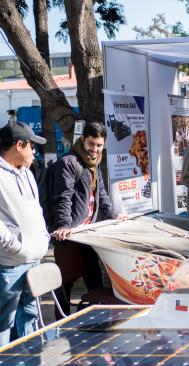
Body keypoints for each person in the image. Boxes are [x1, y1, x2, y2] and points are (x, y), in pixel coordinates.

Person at [49, 121, 123, 318]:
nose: (95, 149)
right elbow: (62, 197)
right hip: (69, 236)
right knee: (64, 285)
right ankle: (62, 326)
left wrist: (114, 216)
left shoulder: (94, 162)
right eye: (91, 144)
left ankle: (94, 321)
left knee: (94, 280)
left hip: (87, 234)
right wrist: (64, 225)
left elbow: (101, 195)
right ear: (83, 140)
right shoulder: (69, 162)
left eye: (99, 145)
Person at [0, 121, 49, 346]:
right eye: (31, 146)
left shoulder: (27, 173)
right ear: (19, 145)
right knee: (4, 324)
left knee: (30, 317)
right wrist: (18, 249)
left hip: (34, 260)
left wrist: (43, 238)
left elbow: (35, 210)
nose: (34, 151)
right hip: (9, 265)